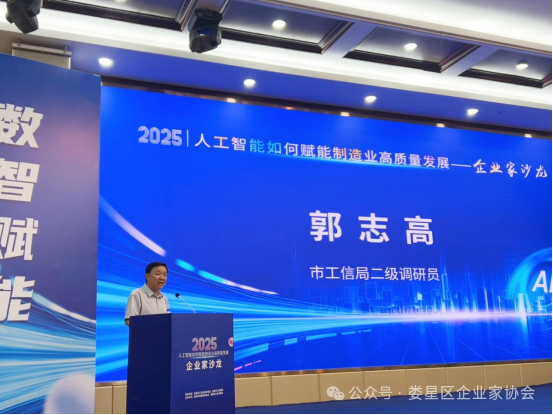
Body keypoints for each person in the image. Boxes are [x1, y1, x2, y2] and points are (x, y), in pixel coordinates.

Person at [125, 262, 170, 326]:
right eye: (158, 274)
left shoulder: (164, 298)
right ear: (147, 276)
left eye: (165, 275)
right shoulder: (137, 294)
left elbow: (168, 321)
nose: (162, 277)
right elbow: (129, 321)